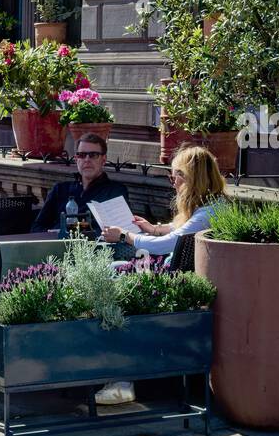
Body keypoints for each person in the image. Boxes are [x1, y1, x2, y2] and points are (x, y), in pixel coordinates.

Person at [95, 144, 227, 406]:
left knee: (110, 272)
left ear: (193, 178)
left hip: (171, 279)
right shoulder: (215, 206)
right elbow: (177, 230)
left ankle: (121, 376)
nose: (173, 182)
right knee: (114, 271)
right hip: (179, 274)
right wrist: (154, 228)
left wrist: (125, 235)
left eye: (177, 175)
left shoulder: (207, 214)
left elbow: (169, 245)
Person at [32, 132, 129, 237]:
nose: (87, 160)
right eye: (82, 155)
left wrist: (69, 230)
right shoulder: (60, 189)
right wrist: (58, 233)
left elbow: (116, 231)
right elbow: (36, 228)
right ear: (76, 159)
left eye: (93, 155)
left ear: (103, 160)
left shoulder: (115, 191)